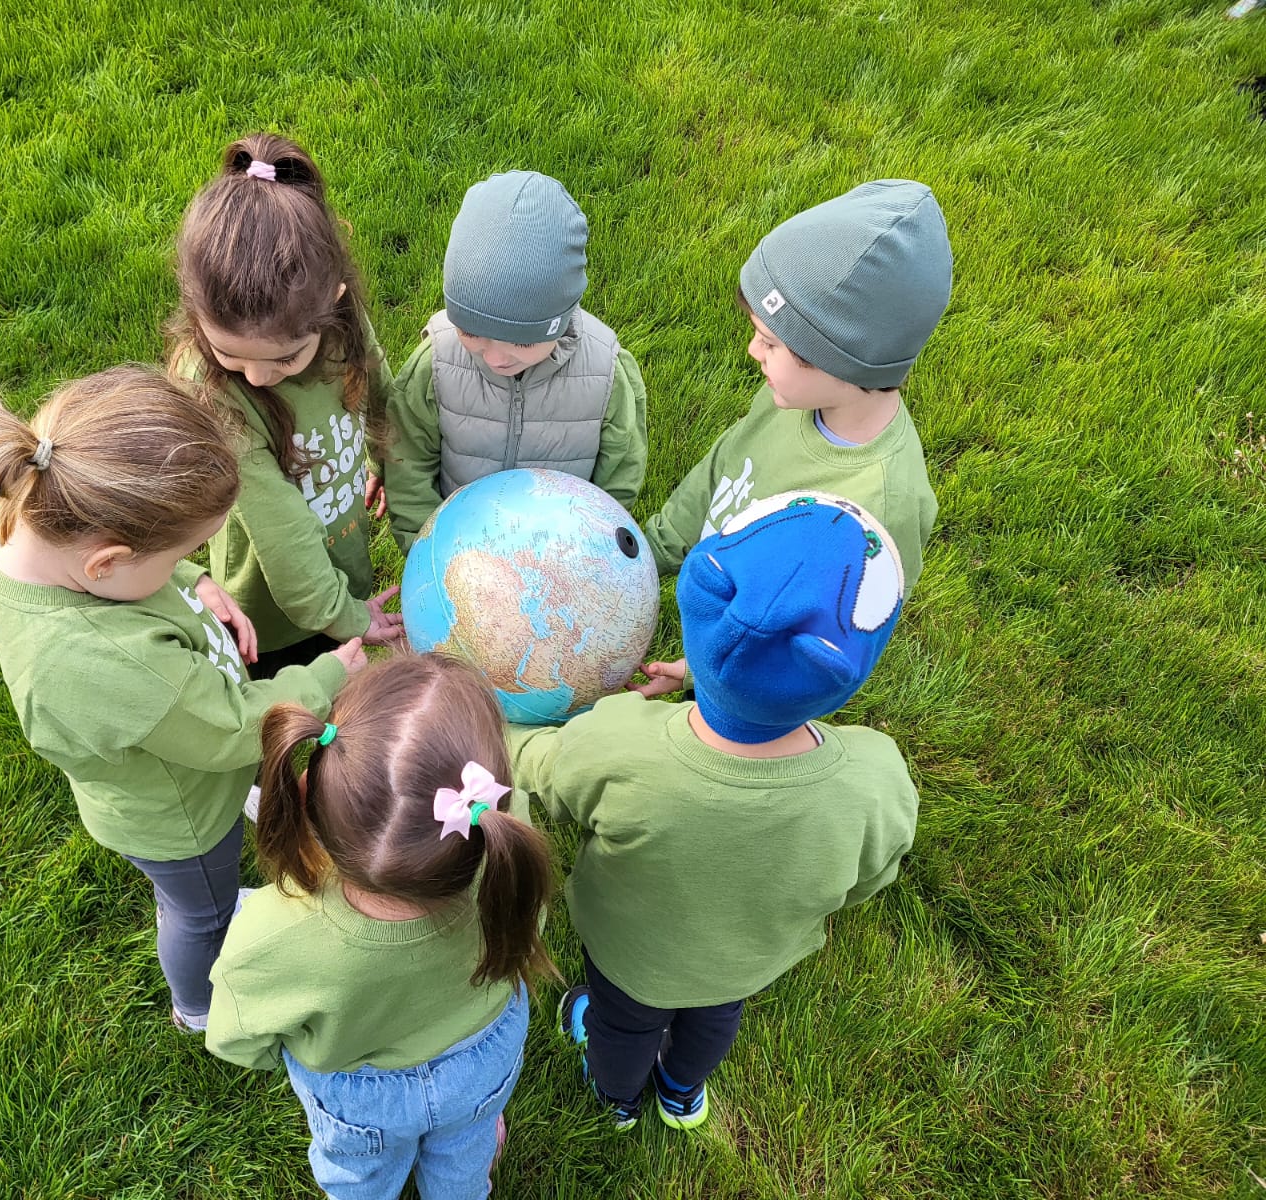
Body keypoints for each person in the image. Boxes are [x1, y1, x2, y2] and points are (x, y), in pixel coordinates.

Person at [0, 365, 366, 1033]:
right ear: (105, 562)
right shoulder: (114, 662)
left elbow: (136, 570)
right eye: (183, 552)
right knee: (200, 911)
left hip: (174, 742)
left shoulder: (19, 517)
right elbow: (231, 728)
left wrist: (189, 580)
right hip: (181, 814)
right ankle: (198, 1006)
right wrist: (324, 677)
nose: (190, 560)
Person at [510, 493, 919, 1131]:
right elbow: (868, 880)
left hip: (629, 959)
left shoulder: (618, 744)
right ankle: (680, 1092)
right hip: (743, 965)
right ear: (848, 673)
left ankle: (618, 1098)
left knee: (622, 1027)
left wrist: (499, 725)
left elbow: (543, 771)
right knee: (714, 1022)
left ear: (700, 614)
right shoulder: (877, 780)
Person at [207, 654, 555, 1200]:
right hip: (482, 1062)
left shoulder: (270, 933)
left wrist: (289, 1058)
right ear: (495, 805)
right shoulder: (508, 870)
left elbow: (236, 1036)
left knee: (360, 1181)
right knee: (464, 1159)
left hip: (358, 1100)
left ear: (306, 793)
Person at [635, 180, 951, 698]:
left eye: (770, 342)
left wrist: (703, 673)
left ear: (838, 360)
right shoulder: (790, 395)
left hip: (750, 689)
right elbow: (723, 469)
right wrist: (650, 550)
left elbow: (816, 649)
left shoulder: (880, 509)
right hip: (723, 595)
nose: (752, 351)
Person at [167, 132, 402, 677]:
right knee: (294, 710)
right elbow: (284, 538)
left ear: (334, 304)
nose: (255, 376)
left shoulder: (342, 325)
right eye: (228, 353)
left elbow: (380, 393)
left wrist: (384, 459)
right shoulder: (213, 392)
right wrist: (345, 616)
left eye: (286, 359)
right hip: (269, 618)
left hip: (336, 566)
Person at [380, 170, 648, 553]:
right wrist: (427, 553)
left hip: (558, 552)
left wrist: (594, 548)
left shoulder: (604, 372)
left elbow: (619, 478)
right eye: (470, 333)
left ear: (561, 319)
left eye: (522, 341)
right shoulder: (436, 363)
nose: (494, 357)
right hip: (460, 550)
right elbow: (407, 465)